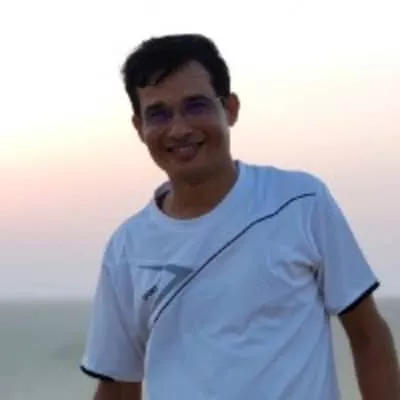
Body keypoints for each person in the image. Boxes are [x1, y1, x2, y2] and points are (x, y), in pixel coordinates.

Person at [80, 34, 400, 400]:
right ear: (139, 127)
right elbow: (118, 384)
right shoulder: (127, 249)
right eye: (159, 113)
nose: (179, 129)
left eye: (196, 106)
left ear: (230, 109)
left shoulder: (300, 201)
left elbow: (368, 336)